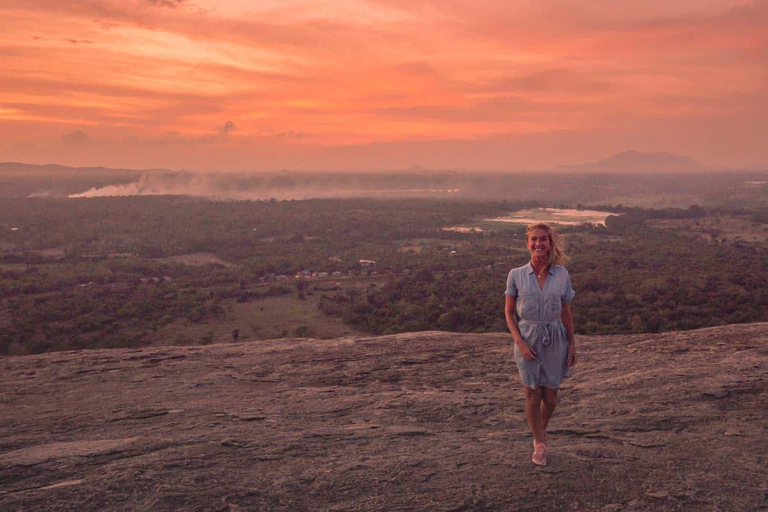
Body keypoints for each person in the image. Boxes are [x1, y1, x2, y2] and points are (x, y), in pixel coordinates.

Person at [504, 222, 576, 466]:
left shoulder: (562, 275)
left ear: (550, 242)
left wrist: (572, 343)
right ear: (527, 244)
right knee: (533, 395)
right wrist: (520, 342)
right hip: (528, 337)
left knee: (552, 397)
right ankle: (540, 443)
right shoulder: (516, 275)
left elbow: (566, 311)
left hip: (555, 337)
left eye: (543, 239)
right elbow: (509, 313)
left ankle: (539, 432)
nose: (538, 243)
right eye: (533, 239)